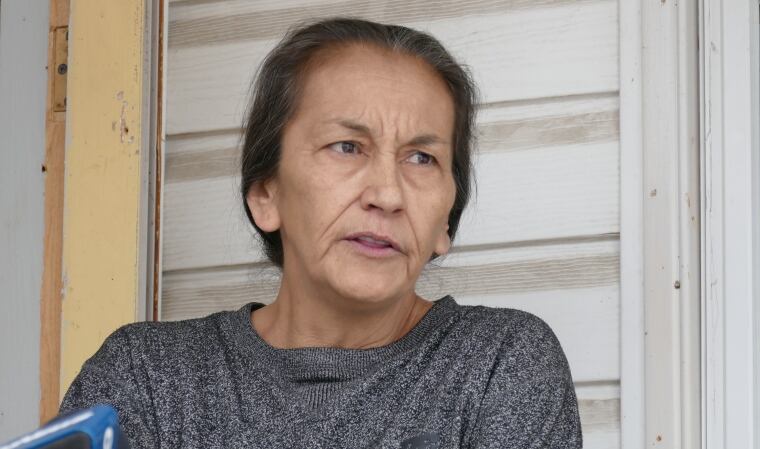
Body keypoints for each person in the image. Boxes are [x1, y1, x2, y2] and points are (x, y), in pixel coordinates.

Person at [59, 18, 582, 449]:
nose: (388, 194)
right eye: (347, 147)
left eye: (422, 158)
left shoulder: (498, 362)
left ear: (446, 220)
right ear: (266, 193)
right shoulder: (147, 377)